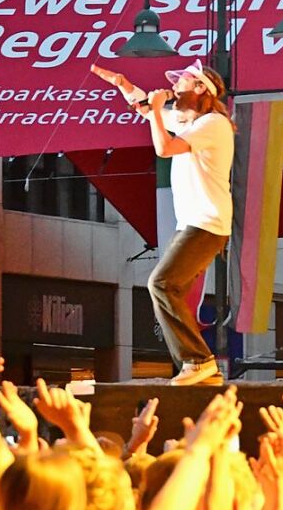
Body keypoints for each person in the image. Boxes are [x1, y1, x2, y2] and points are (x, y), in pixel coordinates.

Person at [92, 59, 234, 385]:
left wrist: (157, 109)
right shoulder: (191, 122)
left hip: (207, 224)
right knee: (169, 290)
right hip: (196, 225)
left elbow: (164, 147)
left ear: (200, 89)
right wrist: (122, 83)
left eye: (182, 80)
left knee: (161, 284)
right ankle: (202, 367)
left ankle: (198, 361)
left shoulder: (213, 124)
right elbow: (146, 109)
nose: (175, 84)